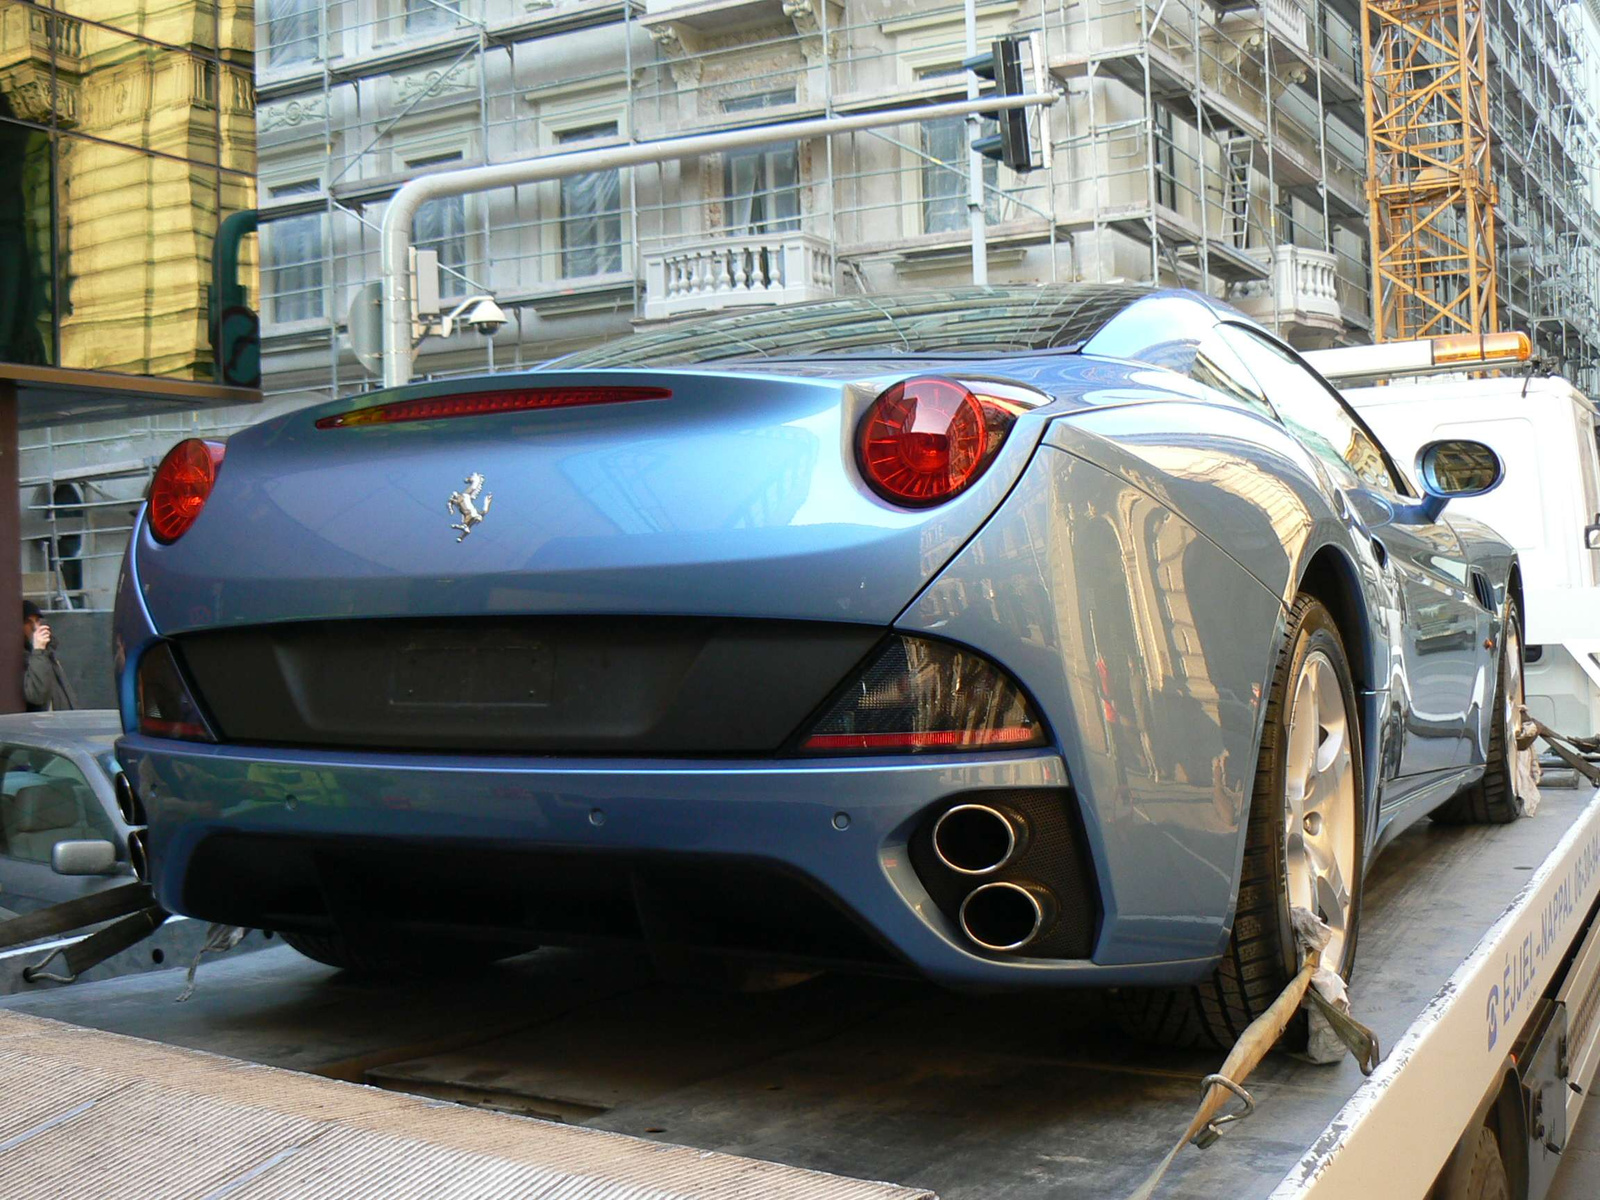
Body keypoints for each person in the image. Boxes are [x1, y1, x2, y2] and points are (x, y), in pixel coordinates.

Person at [22, 601, 74, 712]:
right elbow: (37, 695)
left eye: (37, 621)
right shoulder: (25, 656)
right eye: (28, 622)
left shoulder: (47, 653)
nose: (34, 627)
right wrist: (38, 650)